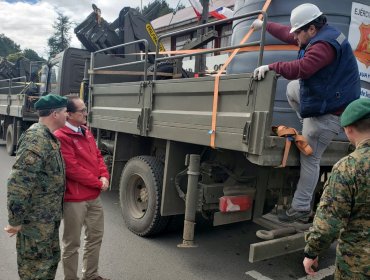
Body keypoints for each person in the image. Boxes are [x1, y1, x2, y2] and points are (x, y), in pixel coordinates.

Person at [252, 3, 361, 222]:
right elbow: (288, 34)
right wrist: (265, 25)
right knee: (293, 88)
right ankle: (310, 123)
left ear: (311, 29)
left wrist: (271, 67)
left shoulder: (323, 46)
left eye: (297, 32)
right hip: (326, 99)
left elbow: (303, 68)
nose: (295, 36)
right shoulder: (316, 33)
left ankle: (300, 208)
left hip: (332, 113)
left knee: (310, 158)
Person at [303, 98, 370, 279]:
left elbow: (328, 224)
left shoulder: (348, 167)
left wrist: (311, 252)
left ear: (348, 129)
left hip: (357, 267)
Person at [4, 94, 68, 279]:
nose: (67, 115)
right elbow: (18, 183)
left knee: (47, 266)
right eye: (65, 112)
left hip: (47, 221)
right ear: (55, 114)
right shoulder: (37, 139)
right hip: (35, 223)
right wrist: (15, 221)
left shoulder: (48, 138)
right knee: (35, 271)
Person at [54, 96, 110, 280]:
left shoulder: (85, 131)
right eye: (82, 111)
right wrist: (97, 182)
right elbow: (72, 169)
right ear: (69, 114)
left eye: (86, 109)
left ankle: (91, 275)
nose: (86, 113)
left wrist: (104, 175)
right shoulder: (62, 136)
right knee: (72, 243)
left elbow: (97, 156)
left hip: (93, 196)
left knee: (95, 238)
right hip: (75, 199)